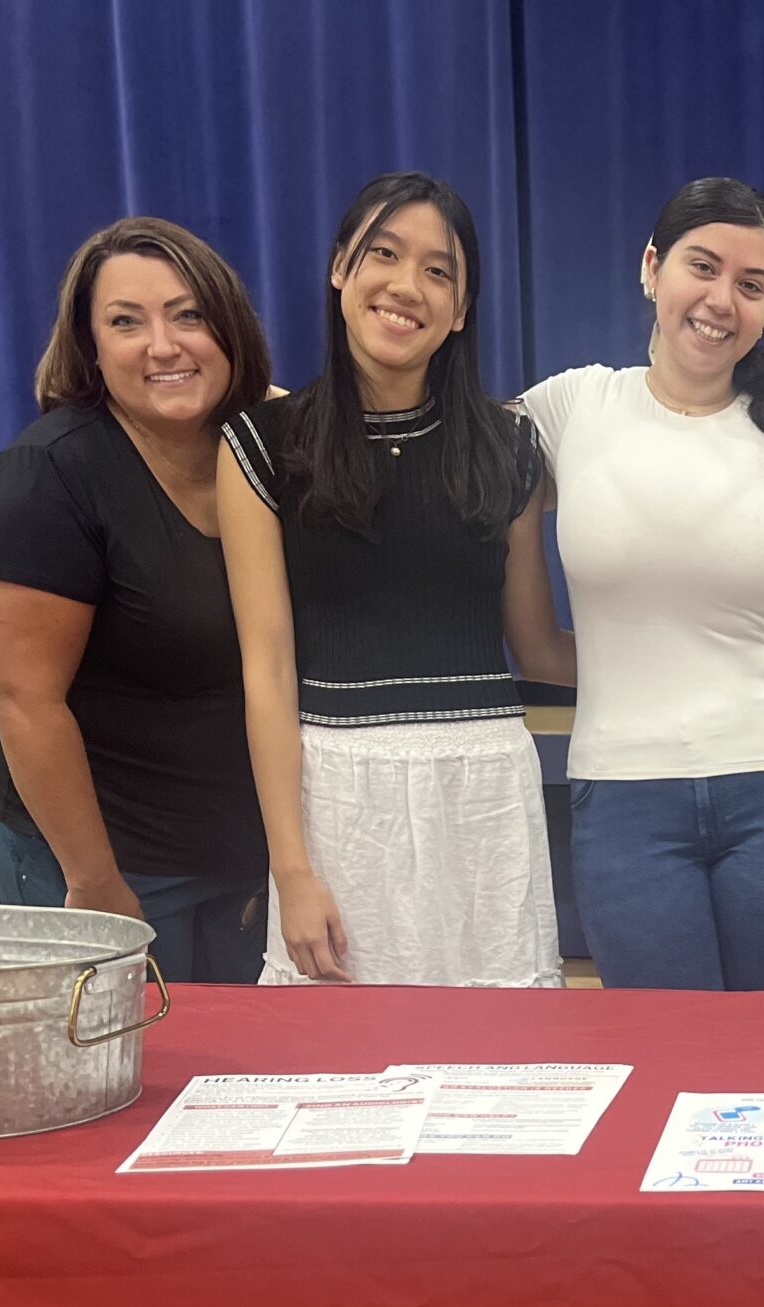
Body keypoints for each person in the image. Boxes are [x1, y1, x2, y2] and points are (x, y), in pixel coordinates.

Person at [217, 173, 565, 987]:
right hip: (338, 802)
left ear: (462, 308)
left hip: (485, 796)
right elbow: (267, 672)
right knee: (339, 1051)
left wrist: (712, 658)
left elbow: (539, 646)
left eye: (439, 271)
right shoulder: (262, 444)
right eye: (384, 254)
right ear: (341, 267)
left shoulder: (508, 446)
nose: (407, 286)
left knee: (498, 1050)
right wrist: (292, 871)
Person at [521, 178, 764, 990]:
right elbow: (432, 453)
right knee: (659, 1050)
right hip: (624, 798)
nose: (721, 300)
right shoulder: (571, 407)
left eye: (751, 285)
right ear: (651, 267)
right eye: (702, 267)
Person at [0, 217, 273, 981]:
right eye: (126, 322)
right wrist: (96, 885)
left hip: (239, 853)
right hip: (102, 862)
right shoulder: (48, 476)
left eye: (188, 315)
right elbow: (23, 701)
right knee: (118, 1052)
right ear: (91, 348)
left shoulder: (268, 447)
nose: (163, 346)